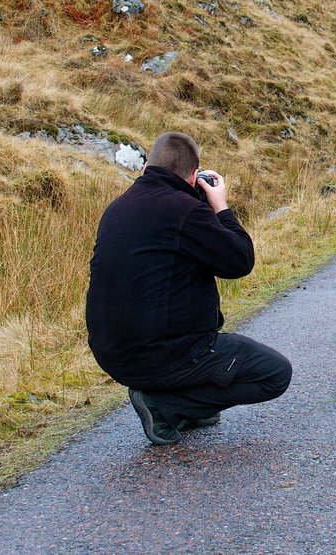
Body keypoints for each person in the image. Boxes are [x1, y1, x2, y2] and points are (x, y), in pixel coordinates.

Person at [86, 131, 292, 445]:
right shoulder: (184, 211)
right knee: (275, 373)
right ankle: (166, 405)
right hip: (159, 357)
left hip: (110, 354)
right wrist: (220, 207)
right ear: (194, 175)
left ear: (146, 168)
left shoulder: (116, 209)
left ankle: (192, 406)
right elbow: (240, 261)